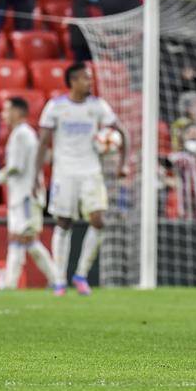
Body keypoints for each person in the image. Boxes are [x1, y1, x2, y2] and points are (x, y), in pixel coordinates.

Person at [34, 62, 129, 297]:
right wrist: (36, 175)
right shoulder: (55, 107)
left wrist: (122, 163)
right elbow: (43, 142)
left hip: (90, 171)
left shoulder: (98, 106)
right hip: (64, 172)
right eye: (86, 78)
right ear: (73, 81)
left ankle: (81, 274)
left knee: (98, 220)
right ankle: (59, 279)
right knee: (63, 222)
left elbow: (122, 133)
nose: (90, 82)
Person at [0, 97, 57, 289]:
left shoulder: (23, 135)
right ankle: (16, 284)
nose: (3, 114)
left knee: (25, 238)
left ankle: (55, 279)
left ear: (18, 112)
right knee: (19, 238)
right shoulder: (19, 134)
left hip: (27, 197)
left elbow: (16, 168)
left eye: (6, 110)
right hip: (19, 197)